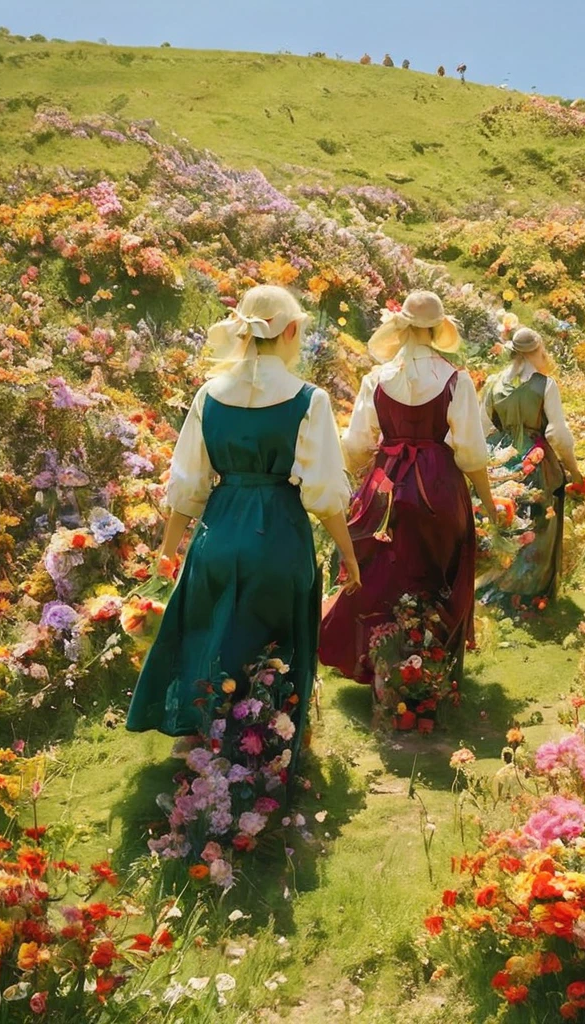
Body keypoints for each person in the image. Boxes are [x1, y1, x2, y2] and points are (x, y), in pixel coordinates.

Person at [126, 285, 359, 776]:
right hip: (278, 533)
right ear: (291, 330)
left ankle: (207, 736)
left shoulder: (209, 396)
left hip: (220, 527)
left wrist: (169, 552)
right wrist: (348, 552)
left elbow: (187, 483)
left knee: (213, 633)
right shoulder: (308, 400)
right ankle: (266, 743)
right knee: (273, 642)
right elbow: (321, 491)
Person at [319, 290, 497, 693]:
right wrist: (487, 503)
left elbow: (356, 444)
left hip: (388, 480)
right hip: (439, 485)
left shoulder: (376, 378)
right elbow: (470, 452)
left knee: (383, 570)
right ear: (436, 328)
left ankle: (382, 665)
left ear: (402, 327)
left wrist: (368, 478)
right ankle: (428, 669)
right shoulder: (455, 380)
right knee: (437, 575)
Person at [478, 327, 583, 611]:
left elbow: (483, 428)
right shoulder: (545, 385)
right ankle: (529, 592)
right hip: (535, 460)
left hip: (500, 459)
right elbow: (557, 434)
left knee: (504, 523)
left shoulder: (493, 384)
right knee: (538, 521)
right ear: (536, 351)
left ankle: (498, 585)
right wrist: (573, 469)